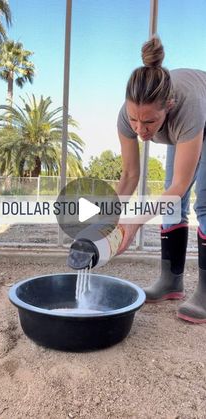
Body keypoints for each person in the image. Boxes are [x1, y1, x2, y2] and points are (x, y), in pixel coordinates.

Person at [116, 35, 206, 324]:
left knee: (203, 205)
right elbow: (130, 174)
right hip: (183, 129)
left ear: (168, 105)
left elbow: (180, 186)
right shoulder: (129, 114)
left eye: (150, 122)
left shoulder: (186, 106)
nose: (141, 130)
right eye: (134, 120)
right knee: (170, 206)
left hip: (201, 117)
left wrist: (136, 220)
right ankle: (171, 281)